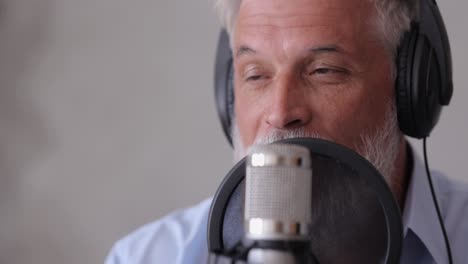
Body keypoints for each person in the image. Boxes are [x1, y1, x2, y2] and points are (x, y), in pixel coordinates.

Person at [106, 0, 468, 263]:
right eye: (256, 75)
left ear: (410, 88)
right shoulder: (148, 257)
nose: (280, 113)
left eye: (324, 70)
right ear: (228, 95)